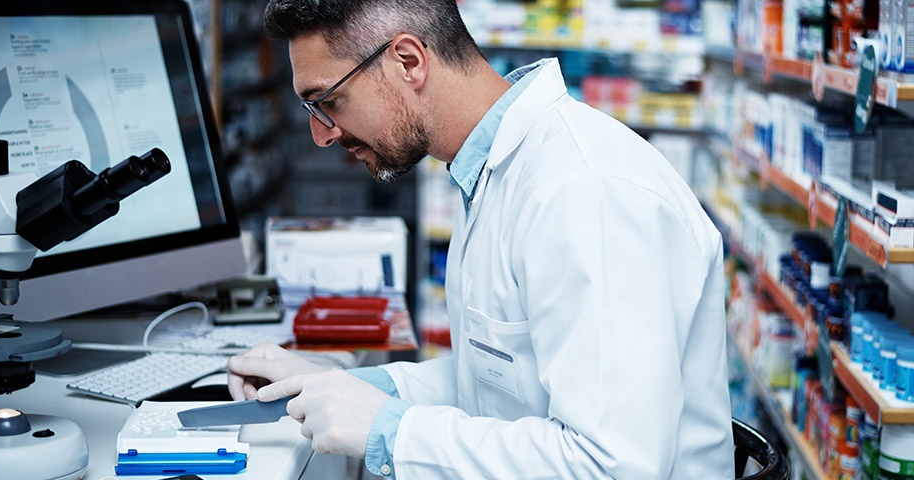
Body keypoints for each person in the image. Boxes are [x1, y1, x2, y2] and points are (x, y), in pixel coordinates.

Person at [227, 0, 736, 477]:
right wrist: (342, 388)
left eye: (328, 102)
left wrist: (393, 431)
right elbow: (503, 381)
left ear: (408, 61)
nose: (323, 134)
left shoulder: (582, 191)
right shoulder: (491, 171)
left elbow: (610, 465)